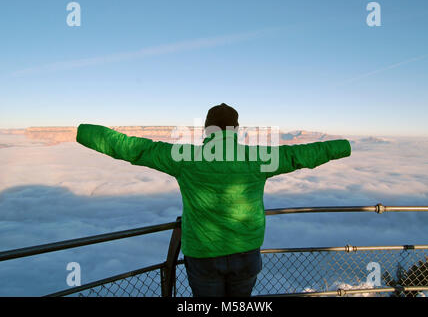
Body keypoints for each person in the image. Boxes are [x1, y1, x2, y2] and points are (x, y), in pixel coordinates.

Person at [76, 103, 351, 297]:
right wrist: (342, 147)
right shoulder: (258, 158)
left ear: (207, 130)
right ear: (236, 130)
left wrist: (83, 132)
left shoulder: (186, 158)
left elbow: (135, 149)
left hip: (203, 255)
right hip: (246, 252)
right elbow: (299, 155)